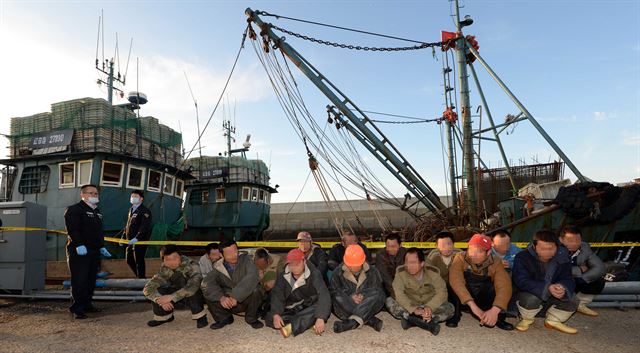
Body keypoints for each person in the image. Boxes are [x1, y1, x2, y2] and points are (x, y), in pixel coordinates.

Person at [512, 230, 579, 334]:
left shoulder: (563, 257)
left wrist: (562, 286)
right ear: (534, 247)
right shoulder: (522, 257)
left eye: (551, 248)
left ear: (557, 246)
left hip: (552, 292)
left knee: (573, 299)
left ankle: (553, 320)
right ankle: (526, 319)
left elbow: (568, 277)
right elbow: (521, 280)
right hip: (529, 292)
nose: (548, 252)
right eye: (543, 249)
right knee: (531, 299)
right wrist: (547, 288)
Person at [64, 184, 112, 320]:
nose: (94, 196)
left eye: (96, 194)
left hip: (94, 251)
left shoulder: (97, 212)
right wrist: (79, 244)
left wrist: (101, 246)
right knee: (80, 280)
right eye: (91, 193)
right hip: (79, 251)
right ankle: (77, 309)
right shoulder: (74, 209)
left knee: (91, 280)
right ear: (83, 195)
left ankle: (86, 304)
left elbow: (98, 232)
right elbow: (72, 229)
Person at [449, 234, 514, 330]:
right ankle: (455, 314)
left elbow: (504, 286)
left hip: (483, 297)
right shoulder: (460, 257)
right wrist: (473, 306)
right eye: (471, 249)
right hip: (465, 299)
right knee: (452, 284)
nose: (473, 254)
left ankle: (499, 318)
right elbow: (456, 280)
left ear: (488, 252)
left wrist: (495, 310)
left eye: (479, 251)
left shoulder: (496, 261)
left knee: (498, 285)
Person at [266, 249, 331, 338]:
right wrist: (276, 314)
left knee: (318, 310)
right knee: (271, 317)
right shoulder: (283, 275)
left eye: (297, 264)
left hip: (308, 305)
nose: (294, 267)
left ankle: (293, 327)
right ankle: (306, 322)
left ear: (304, 261)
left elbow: (324, 293)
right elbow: (277, 294)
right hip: (292, 307)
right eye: (291, 264)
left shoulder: (315, 273)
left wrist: (321, 317)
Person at [201, 240, 264, 329]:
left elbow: (252, 276)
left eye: (235, 251)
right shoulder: (218, 267)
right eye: (229, 253)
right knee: (207, 291)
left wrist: (236, 296)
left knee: (256, 290)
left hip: (246, 300)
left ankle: (251, 318)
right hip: (228, 302)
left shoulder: (247, 260)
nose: (234, 255)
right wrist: (221, 297)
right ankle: (224, 318)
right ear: (221, 255)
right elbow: (206, 283)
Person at [392, 247, 454, 335]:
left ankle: (412, 320)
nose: (410, 266)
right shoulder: (400, 275)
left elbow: (442, 292)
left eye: (413, 263)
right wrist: (413, 309)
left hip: (429, 304)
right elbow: (399, 295)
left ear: (422, 264)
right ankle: (428, 323)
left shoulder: (433, 275)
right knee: (390, 302)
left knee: (450, 308)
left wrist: (430, 307)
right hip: (411, 305)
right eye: (407, 262)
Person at [143, 245, 208, 328]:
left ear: (180, 257)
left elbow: (194, 285)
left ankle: (200, 316)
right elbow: (148, 287)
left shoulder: (191, 265)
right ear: (163, 260)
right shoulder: (164, 268)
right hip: (177, 295)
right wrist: (160, 299)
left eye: (175, 258)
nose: (172, 262)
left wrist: (171, 297)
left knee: (193, 289)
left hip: (196, 296)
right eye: (168, 259)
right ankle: (164, 317)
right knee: (159, 290)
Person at [330, 244, 385, 333]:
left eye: (357, 265)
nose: (354, 267)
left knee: (380, 293)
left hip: (366, 303)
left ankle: (352, 323)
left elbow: (377, 289)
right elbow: (333, 291)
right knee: (336, 296)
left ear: (363, 261)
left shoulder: (373, 271)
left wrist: (363, 295)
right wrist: (350, 295)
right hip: (348, 304)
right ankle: (369, 319)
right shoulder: (337, 272)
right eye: (351, 265)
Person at [559, 226, 606, 317]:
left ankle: (580, 304)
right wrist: (579, 269)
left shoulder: (584, 247)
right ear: (561, 239)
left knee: (597, 281)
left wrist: (583, 279)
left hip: (574, 279)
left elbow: (599, 267)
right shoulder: (551, 246)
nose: (575, 243)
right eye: (570, 240)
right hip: (556, 280)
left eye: (578, 240)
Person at [426, 231, 462, 327]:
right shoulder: (433, 256)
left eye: (449, 244)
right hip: (439, 286)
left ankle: (456, 316)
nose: (446, 248)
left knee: (456, 285)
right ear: (436, 246)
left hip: (456, 286)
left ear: (453, 244)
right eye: (442, 245)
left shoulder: (460, 255)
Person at [124, 190, 152, 279]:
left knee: (139, 260)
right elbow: (128, 225)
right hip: (130, 240)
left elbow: (144, 226)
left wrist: (137, 238)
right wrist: (123, 237)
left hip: (140, 240)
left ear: (141, 199)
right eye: (132, 196)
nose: (133, 198)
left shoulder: (145, 211)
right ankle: (139, 277)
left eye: (136, 196)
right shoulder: (131, 209)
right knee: (129, 260)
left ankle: (141, 280)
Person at [376, 232, 407, 298]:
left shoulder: (405, 253)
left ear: (400, 245)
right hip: (386, 286)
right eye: (388, 246)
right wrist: (397, 294)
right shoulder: (381, 255)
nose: (389, 249)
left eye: (393, 246)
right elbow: (386, 277)